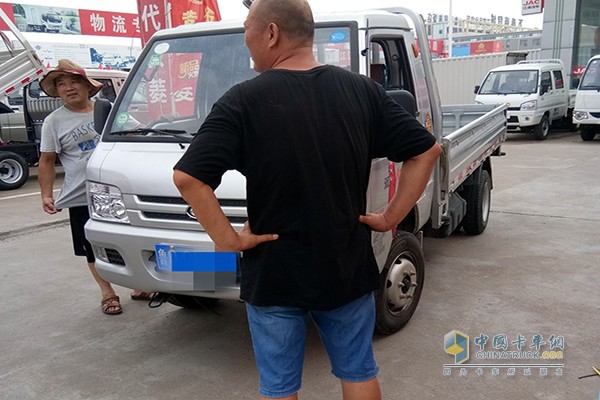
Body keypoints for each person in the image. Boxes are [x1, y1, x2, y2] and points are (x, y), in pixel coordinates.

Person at [173, 0, 442, 398]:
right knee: (358, 372)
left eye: (247, 29)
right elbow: (426, 151)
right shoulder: (361, 90)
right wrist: (390, 217)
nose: (245, 39)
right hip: (345, 266)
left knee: (280, 387)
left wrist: (228, 241)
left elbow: (188, 177)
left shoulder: (243, 100)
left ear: (271, 33)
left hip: (274, 271)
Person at [38, 59, 152, 315]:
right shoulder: (54, 122)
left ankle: (140, 286)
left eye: (74, 82)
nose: (69, 88)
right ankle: (107, 293)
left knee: (129, 241)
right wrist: (46, 194)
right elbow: (46, 160)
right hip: (82, 197)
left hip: (118, 192)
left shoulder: (108, 110)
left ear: (87, 86)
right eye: (62, 84)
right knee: (92, 249)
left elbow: (138, 133)